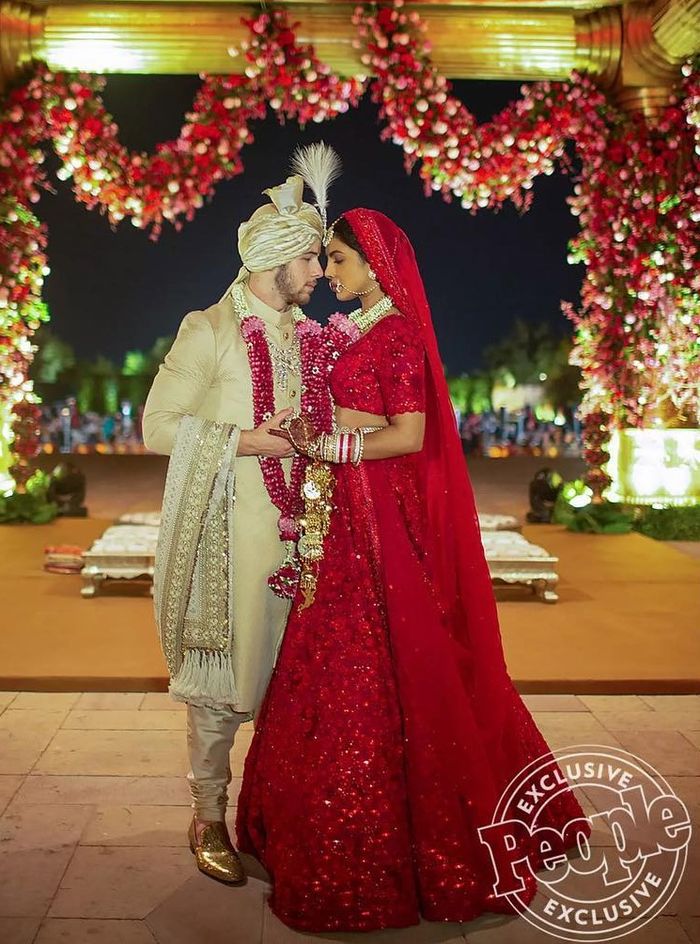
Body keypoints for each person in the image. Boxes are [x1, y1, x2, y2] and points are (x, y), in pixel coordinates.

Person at [236, 209, 590, 932]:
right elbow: (349, 411)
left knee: (388, 658)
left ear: (374, 262)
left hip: (375, 514)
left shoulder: (396, 333)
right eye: (326, 261)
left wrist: (331, 447)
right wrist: (316, 431)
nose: (328, 273)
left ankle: (411, 845)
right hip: (346, 509)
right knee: (337, 657)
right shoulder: (358, 327)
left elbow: (410, 433)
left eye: (337, 260)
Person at [142, 169, 329, 886]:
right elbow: (157, 427)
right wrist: (250, 441)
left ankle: (275, 812)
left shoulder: (314, 340)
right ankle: (208, 814)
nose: (319, 269)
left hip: (305, 534)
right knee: (221, 687)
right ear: (274, 258)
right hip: (226, 539)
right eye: (310, 257)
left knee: (298, 683)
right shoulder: (209, 329)